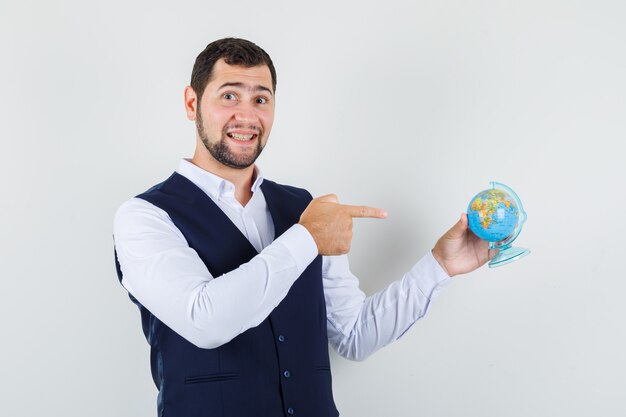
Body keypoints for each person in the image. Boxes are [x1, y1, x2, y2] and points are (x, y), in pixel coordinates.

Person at [113, 37, 494, 417]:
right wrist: (308, 237)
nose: (246, 116)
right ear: (192, 103)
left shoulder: (302, 207)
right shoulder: (145, 217)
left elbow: (355, 334)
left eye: (261, 99)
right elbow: (206, 321)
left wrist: (440, 265)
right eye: (229, 96)